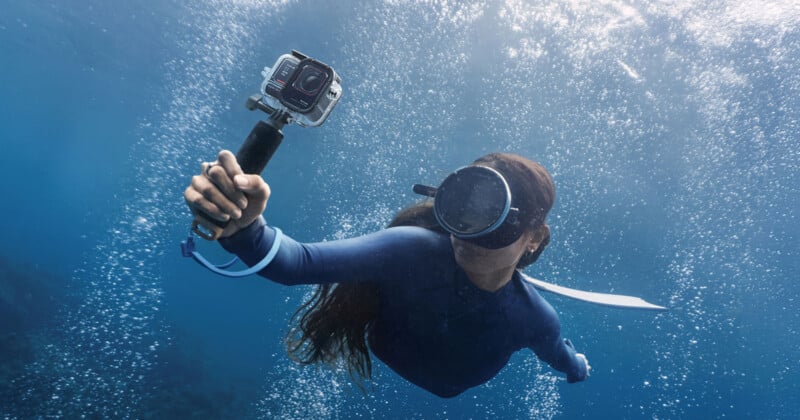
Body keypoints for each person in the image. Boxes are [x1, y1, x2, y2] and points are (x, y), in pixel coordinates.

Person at [184, 150, 590, 397]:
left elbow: (560, 357)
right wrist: (245, 228)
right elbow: (297, 263)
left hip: (448, 384)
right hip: (399, 351)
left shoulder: (535, 317)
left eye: (494, 223)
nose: (467, 236)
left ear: (534, 238)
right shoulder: (412, 249)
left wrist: (578, 368)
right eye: (462, 212)